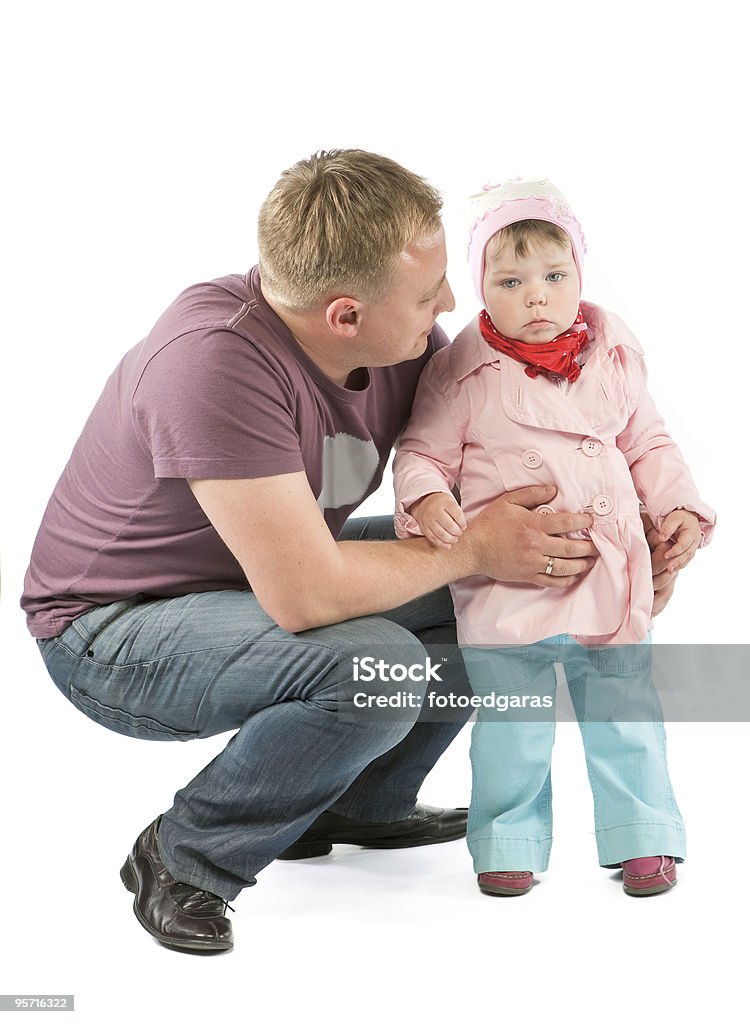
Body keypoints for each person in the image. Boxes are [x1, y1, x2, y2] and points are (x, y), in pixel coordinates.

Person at [23, 154, 669, 956]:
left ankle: (360, 803)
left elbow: (522, 451)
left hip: (258, 576)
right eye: (428, 291)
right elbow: (306, 597)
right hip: (114, 631)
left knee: (505, 610)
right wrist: (473, 544)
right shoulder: (211, 364)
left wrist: (625, 540)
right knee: (379, 663)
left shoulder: (413, 346)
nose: (450, 302)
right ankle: (188, 854)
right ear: (343, 315)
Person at [393, 178, 716, 898]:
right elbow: (423, 451)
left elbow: (650, 443)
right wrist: (426, 495)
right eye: (510, 281)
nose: (535, 296)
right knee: (511, 725)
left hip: (609, 574)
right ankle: (508, 840)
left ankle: (644, 838)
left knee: (625, 715)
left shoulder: (614, 355)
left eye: (553, 276)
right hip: (510, 586)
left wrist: (678, 509)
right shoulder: (460, 372)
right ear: (479, 287)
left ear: (580, 276)